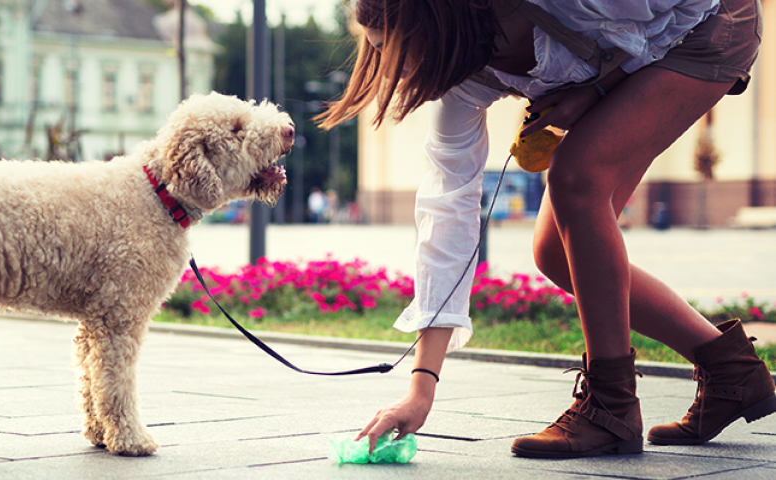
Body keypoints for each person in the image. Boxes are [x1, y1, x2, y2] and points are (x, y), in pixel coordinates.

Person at [316, 0, 772, 459]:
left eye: (393, 53)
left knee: (578, 176)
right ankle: (732, 372)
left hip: (707, 25)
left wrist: (599, 91)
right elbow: (446, 216)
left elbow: (690, 5)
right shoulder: (460, 79)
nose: (393, 74)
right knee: (555, 252)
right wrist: (420, 389)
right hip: (638, 58)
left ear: (432, 27)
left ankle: (610, 409)